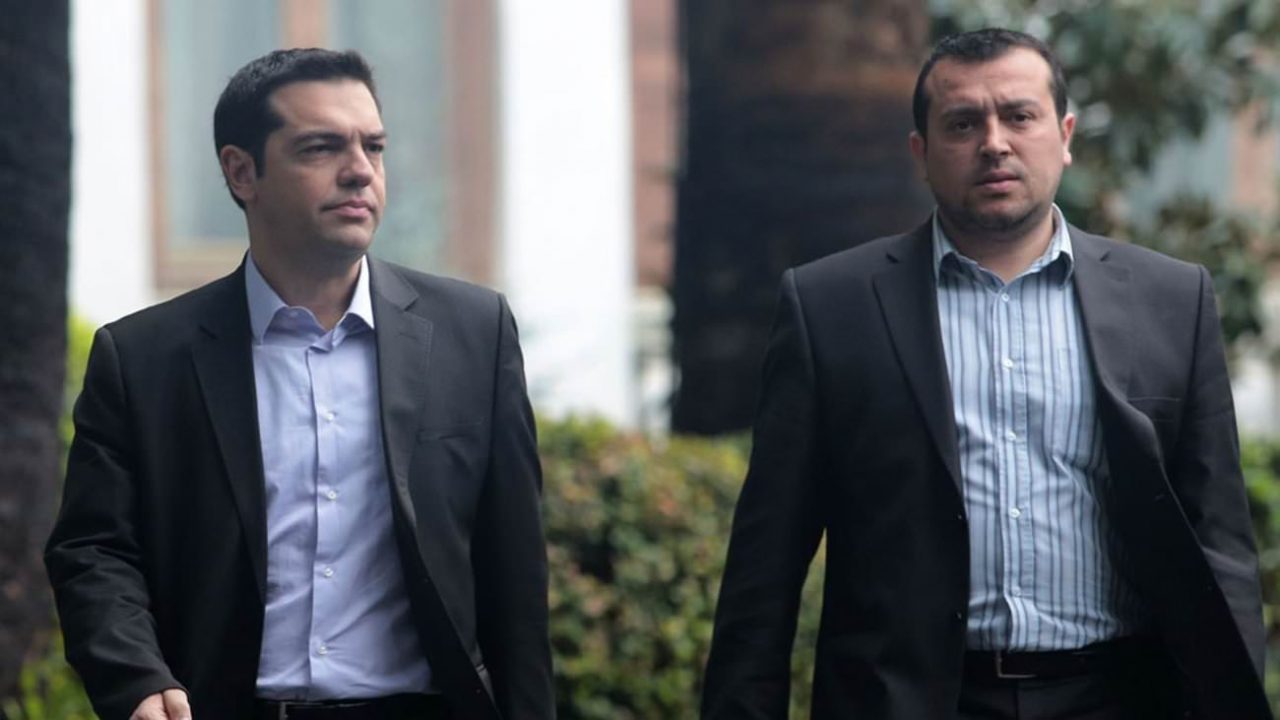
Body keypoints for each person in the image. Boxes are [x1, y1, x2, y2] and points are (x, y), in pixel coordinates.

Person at [701, 28, 1268, 720]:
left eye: (1019, 116)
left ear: (1064, 135)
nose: (994, 143)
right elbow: (765, 565)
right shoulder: (830, 307)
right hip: (908, 701)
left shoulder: (1171, 299)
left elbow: (1220, 543)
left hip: (1119, 697)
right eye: (963, 123)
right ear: (921, 153)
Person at [45, 48, 553, 720]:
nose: (360, 170)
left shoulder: (473, 334)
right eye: (321, 147)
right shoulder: (143, 359)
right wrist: (136, 678)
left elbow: (515, 574)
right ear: (241, 171)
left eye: (374, 146)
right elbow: (94, 550)